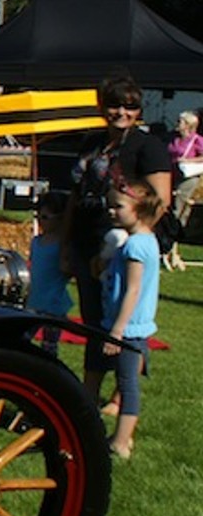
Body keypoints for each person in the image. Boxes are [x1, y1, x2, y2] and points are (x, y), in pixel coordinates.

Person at [62, 75, 171, 381]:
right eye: (114, 105)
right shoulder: (91, 142)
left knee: (128, 320)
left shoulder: (148, 146)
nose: (121, 112)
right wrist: (65, 244)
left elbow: (160, 201)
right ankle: (91, 389)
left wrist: (135, 239)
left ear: (138, 110)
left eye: (130, 106)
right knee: (93, 320)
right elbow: (74, 194)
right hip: (87, 240)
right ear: (102, 107)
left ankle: (123, 393)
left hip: (126, 248)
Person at [91, 179, 162, 460]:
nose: (111, 211)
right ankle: (122, 438)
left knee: (127, 382)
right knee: (127, 379)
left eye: (117, 206)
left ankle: (120, 441)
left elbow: (132, 290)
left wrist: (117, 330)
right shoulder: (145, 240)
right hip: (132, 326)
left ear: (138, 209)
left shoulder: (135, 246)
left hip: (128, 328)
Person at [28, 192, 73, 358]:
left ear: (60, 218)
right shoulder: (36, 242)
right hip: (34, 300)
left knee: (49, 346)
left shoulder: (62, 244)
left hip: (54, 303)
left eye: (45, 216)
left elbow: (67, 269)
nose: (40, 220)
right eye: (38, 215)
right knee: (25, 338)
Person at [165, 108, 201, 270]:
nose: (178, 124)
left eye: (181, 122)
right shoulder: (174, 140)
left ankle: (172, 249)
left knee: (178, 212)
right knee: (169, 209)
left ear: (188, 125)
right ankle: (171, 249)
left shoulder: (197, 140)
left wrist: (189, 160)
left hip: (187, 179)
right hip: (171, 177)